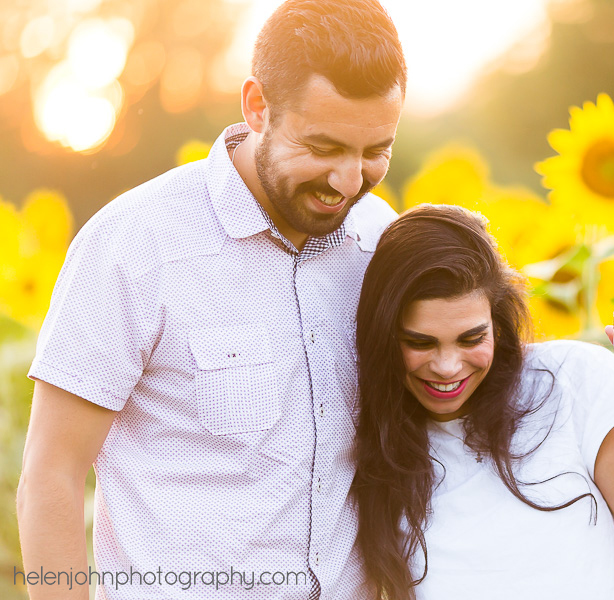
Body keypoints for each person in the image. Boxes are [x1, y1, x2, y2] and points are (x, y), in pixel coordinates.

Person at [16, 1, 405, 599]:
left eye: (375, 150)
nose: (349, 181)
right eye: (323, 147)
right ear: (257, 107)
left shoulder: (379, 239)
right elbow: (52, 474)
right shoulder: (133, 245)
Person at [353, 204, 614, 600]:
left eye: (472, 339)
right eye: (419, 342)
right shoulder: (369, 445)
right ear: (383, 335)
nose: (447, 367)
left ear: (499, 323)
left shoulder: (569, 382)